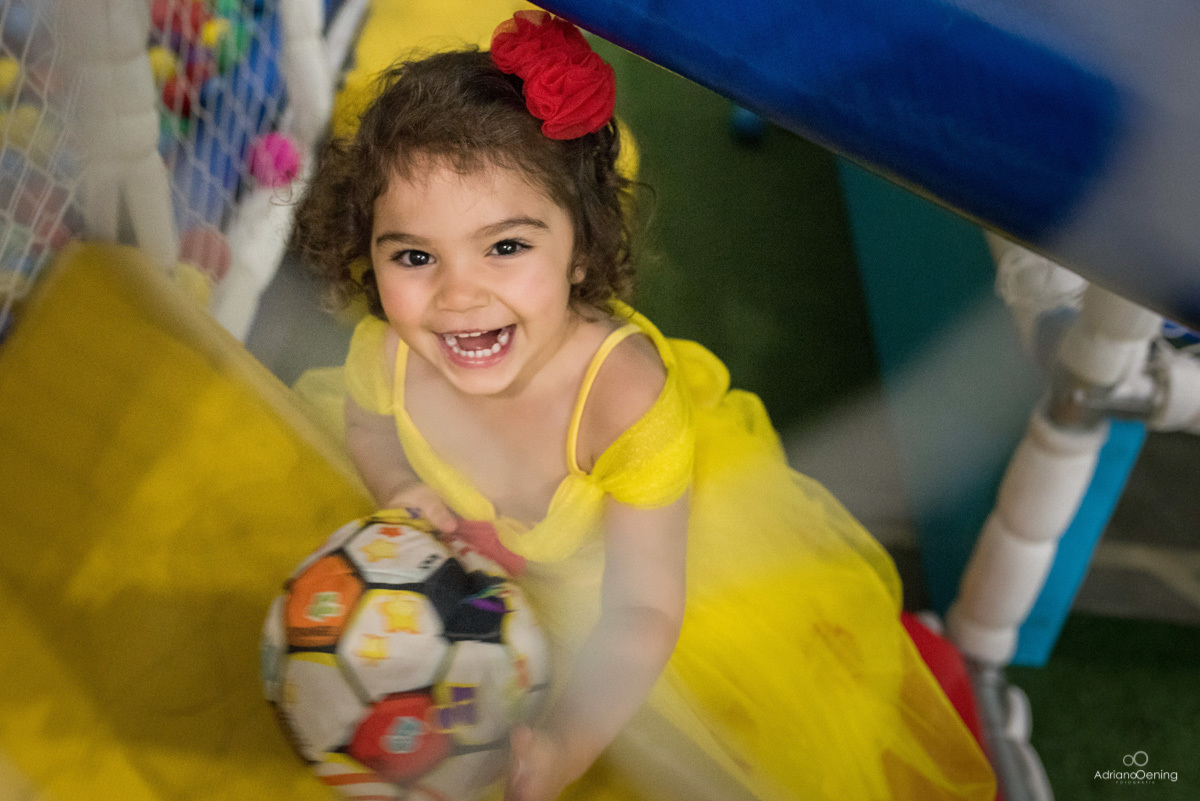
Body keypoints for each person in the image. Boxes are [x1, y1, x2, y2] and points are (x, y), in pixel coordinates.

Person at [294, 11, 997, 801]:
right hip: (479, 595)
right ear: (370, 249)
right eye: (416, 256)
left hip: (638, 588)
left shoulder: (623, 404)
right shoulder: (390, 350)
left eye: (506, 247)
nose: (458, 294)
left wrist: (563, 743)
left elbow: (644, 608)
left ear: (583, 247)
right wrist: (399, 487)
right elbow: (366, 423)